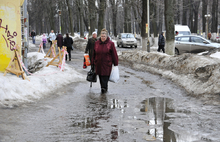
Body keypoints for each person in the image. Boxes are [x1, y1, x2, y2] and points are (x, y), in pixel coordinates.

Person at [93, 28, 118, 94]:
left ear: (106, 36)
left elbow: (114, 54)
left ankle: (104, 89)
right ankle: (103, 88)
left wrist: (116, 64)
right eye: (102, 36)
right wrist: (93, 62)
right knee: (101, 78)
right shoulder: (97, 43)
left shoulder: (110, 44)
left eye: (104, 36)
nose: (103, 38)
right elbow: (94, 53)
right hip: (98, 64)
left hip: (107, 65)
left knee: (105, 79)